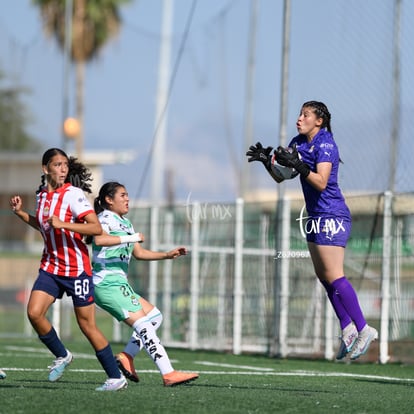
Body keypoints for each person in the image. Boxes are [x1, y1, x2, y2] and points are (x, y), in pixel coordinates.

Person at [246, 101, 378, 361]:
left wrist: (299, 166)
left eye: (306, 115)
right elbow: (281, 176)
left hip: (332, 214)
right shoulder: (299, 141)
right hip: (316, 216)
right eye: (299, 114)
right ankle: (348, 329)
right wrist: (267, 162)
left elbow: (321, 181)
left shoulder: (326, 143)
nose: (299, 118)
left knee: (336, 276)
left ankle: (364, 329)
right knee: (324, 276)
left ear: (319, 121)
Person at [9, 148, 127, 391]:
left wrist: (64, 223)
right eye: (57, 165)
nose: (63, 169)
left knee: (87, 326)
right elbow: (43, 226)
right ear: (45, 169)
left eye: (65, 164)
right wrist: (21, 213)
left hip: (77, 270)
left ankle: (116, 377)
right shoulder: (41, 196)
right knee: (34, 313)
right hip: (51, 267)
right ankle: (62, 355)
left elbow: (96, 229)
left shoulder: (74, 195)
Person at [90, 181, 199, 386]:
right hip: (106, 282)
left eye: (127, 194)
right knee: (144, 325)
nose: (127, 199)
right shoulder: (104, 218)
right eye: (122, 195)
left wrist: (167, 255)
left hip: (119, 283)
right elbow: (100, 241)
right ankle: (168, 373)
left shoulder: (126, 223)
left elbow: (138, 253)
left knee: (155, 317)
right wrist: (130, 237)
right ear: (108, 199)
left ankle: (127, 356)